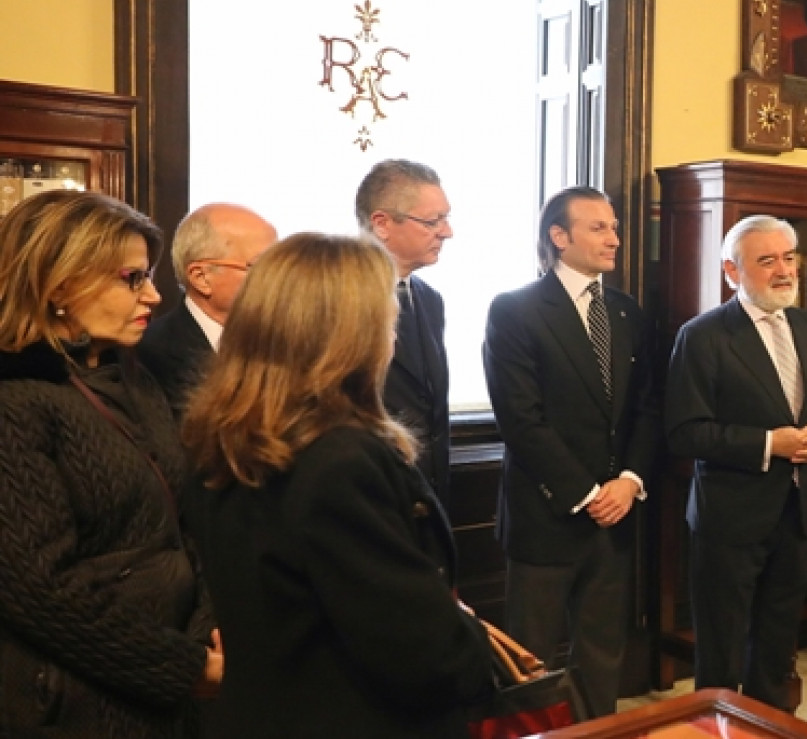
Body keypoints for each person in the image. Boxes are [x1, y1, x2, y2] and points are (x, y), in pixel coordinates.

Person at [181, 233, 495, 737]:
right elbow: (422, 653)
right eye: (388, 321)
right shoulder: (342, 462)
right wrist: (467, 634)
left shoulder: (226, 438)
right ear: (351, 334)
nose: (392, 338)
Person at [0, 190, 221, 736]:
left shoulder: (130, 374)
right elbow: (36, 588)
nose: (152, 296)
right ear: (60, 283)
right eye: (131, 278)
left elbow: (182, 518)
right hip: (77, 702)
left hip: (165, 686)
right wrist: (179, 665)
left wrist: (204, 628)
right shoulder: (15, 398)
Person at [664, 215, 807, 710]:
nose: (784, 270)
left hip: (796, 513)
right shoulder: (703, 336)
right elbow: (685, 432)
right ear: (732, 270)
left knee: (777, 647)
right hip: (730, 518)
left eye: (789, 257)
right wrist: (773, 444)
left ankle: (771, 725)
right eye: (767, 260)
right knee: (723, 651)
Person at [483, 187, 659, 716]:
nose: (614, 238)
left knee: (601, 652)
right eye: (598, 228)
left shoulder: (627, 312)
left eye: (614, 226)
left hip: (617, 515)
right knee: (530, 656)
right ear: (558, 237)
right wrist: (585, 493)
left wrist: (628, 481)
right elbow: (521, 419)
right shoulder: (515, 310)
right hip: (547, 514)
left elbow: (648, 408)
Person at [358, 159, 454, 503]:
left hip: (428, 497)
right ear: (382, 223)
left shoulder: (430, 300)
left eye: (445, 218)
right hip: (368, 496)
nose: (447, 232)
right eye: (433, 221)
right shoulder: (337, 299)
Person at [137, 202, 277, 414]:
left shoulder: (288, 344)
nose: (279, 279)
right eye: (261, 267)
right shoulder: (147, 355)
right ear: (201, 277)